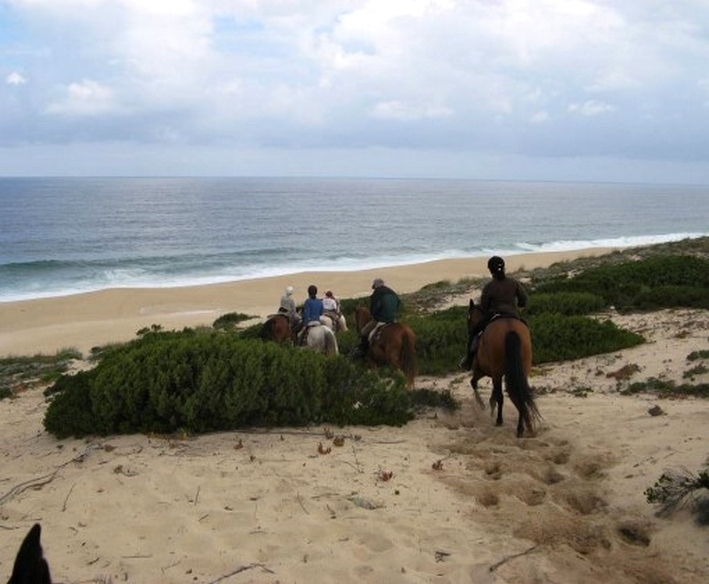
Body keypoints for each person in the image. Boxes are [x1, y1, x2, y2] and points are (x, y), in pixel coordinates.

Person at [459, 255, 529, 370]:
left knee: (474, 333)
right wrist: (519, 308)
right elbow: (523, 299)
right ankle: (529, 356)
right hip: (512, 315)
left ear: (491, 270)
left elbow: (484, 307)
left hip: (494, 315)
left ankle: (468, 359)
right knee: (525, 328)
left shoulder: (489, 287)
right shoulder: (514, 283)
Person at [354, 278, 400, 356]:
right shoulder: (392, 292)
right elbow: (398, 303)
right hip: (393, 318)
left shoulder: (377, 293)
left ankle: (363, 350)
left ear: (375, 285)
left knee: (364, 332)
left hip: (381, 319)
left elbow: (374, 308)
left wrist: (374, 315)